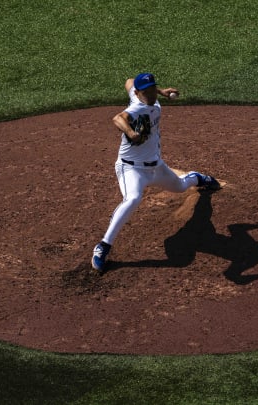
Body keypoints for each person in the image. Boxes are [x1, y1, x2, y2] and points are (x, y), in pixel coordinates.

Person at [91, 72, 220, 273]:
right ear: (138, 93)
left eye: (153, 88)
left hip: (156, 167)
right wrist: (131, 132)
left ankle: (197, 177)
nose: (151, 94)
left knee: (180, 186)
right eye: (148, 90)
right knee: (133, 198)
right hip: (131, 169)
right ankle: (103, 246)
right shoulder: (136, 107)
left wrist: (162, 92)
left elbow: (129, 81)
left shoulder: (145, 96)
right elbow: (118, 118)